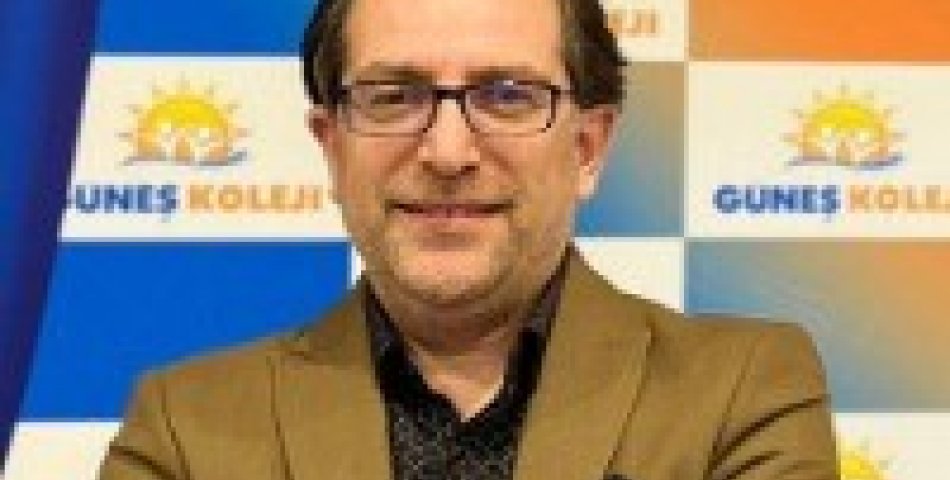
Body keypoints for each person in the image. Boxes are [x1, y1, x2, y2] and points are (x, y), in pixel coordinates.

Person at [98, 0, 838, 478]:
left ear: (588, 149)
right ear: (332, 147)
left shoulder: (742, 394)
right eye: (394, 97)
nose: (448, 152)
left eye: (508, 96)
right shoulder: (185, 428)